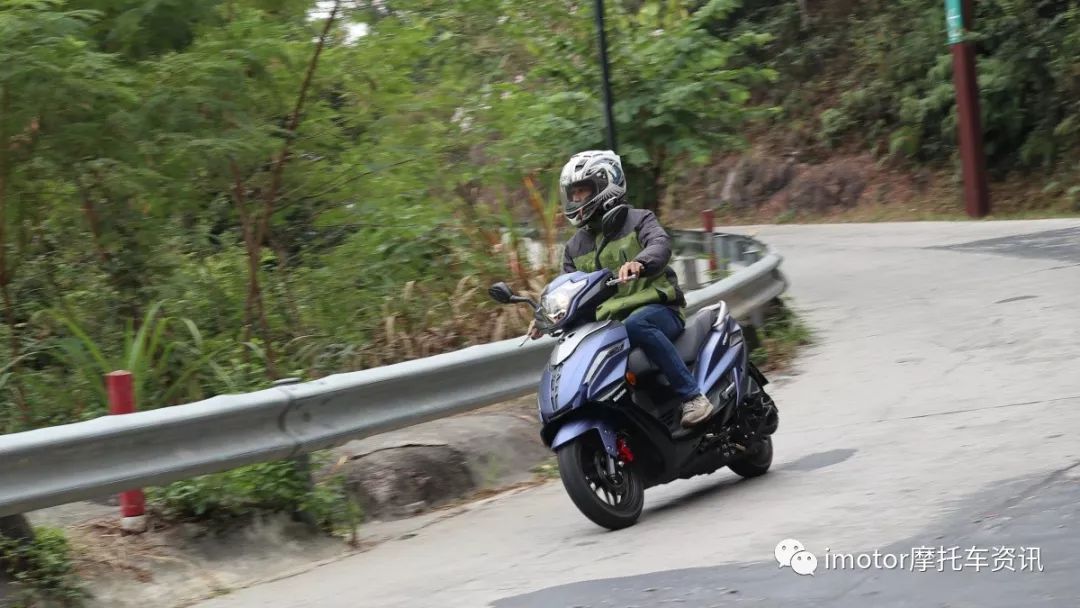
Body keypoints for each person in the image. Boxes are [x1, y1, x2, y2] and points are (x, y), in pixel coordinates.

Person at [527, 150, 716, 428]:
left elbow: (660, 244)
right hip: (609, 326)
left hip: (658, 309)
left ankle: (693, 397)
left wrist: (640, 262)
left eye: (582, 190)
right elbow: (568, 290)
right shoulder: (575, 247)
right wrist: (545, 317)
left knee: (636, 324)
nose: (576, 199)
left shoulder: (639, 220)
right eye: (573, 193)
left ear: (606, 185)